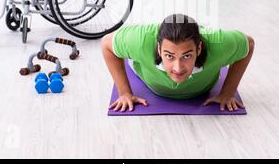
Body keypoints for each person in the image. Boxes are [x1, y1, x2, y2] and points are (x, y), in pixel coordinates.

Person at [101, 14, 255, 112]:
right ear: (160, 49)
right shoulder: (140, 40)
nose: (178, 68)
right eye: (169, 56)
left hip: (202, 89)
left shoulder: (220, 43)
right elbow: (106, 44)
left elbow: (249, 43)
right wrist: (125, 93)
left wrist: (228, 93)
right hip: (145, 74)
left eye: (187, 56)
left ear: (199, 48)